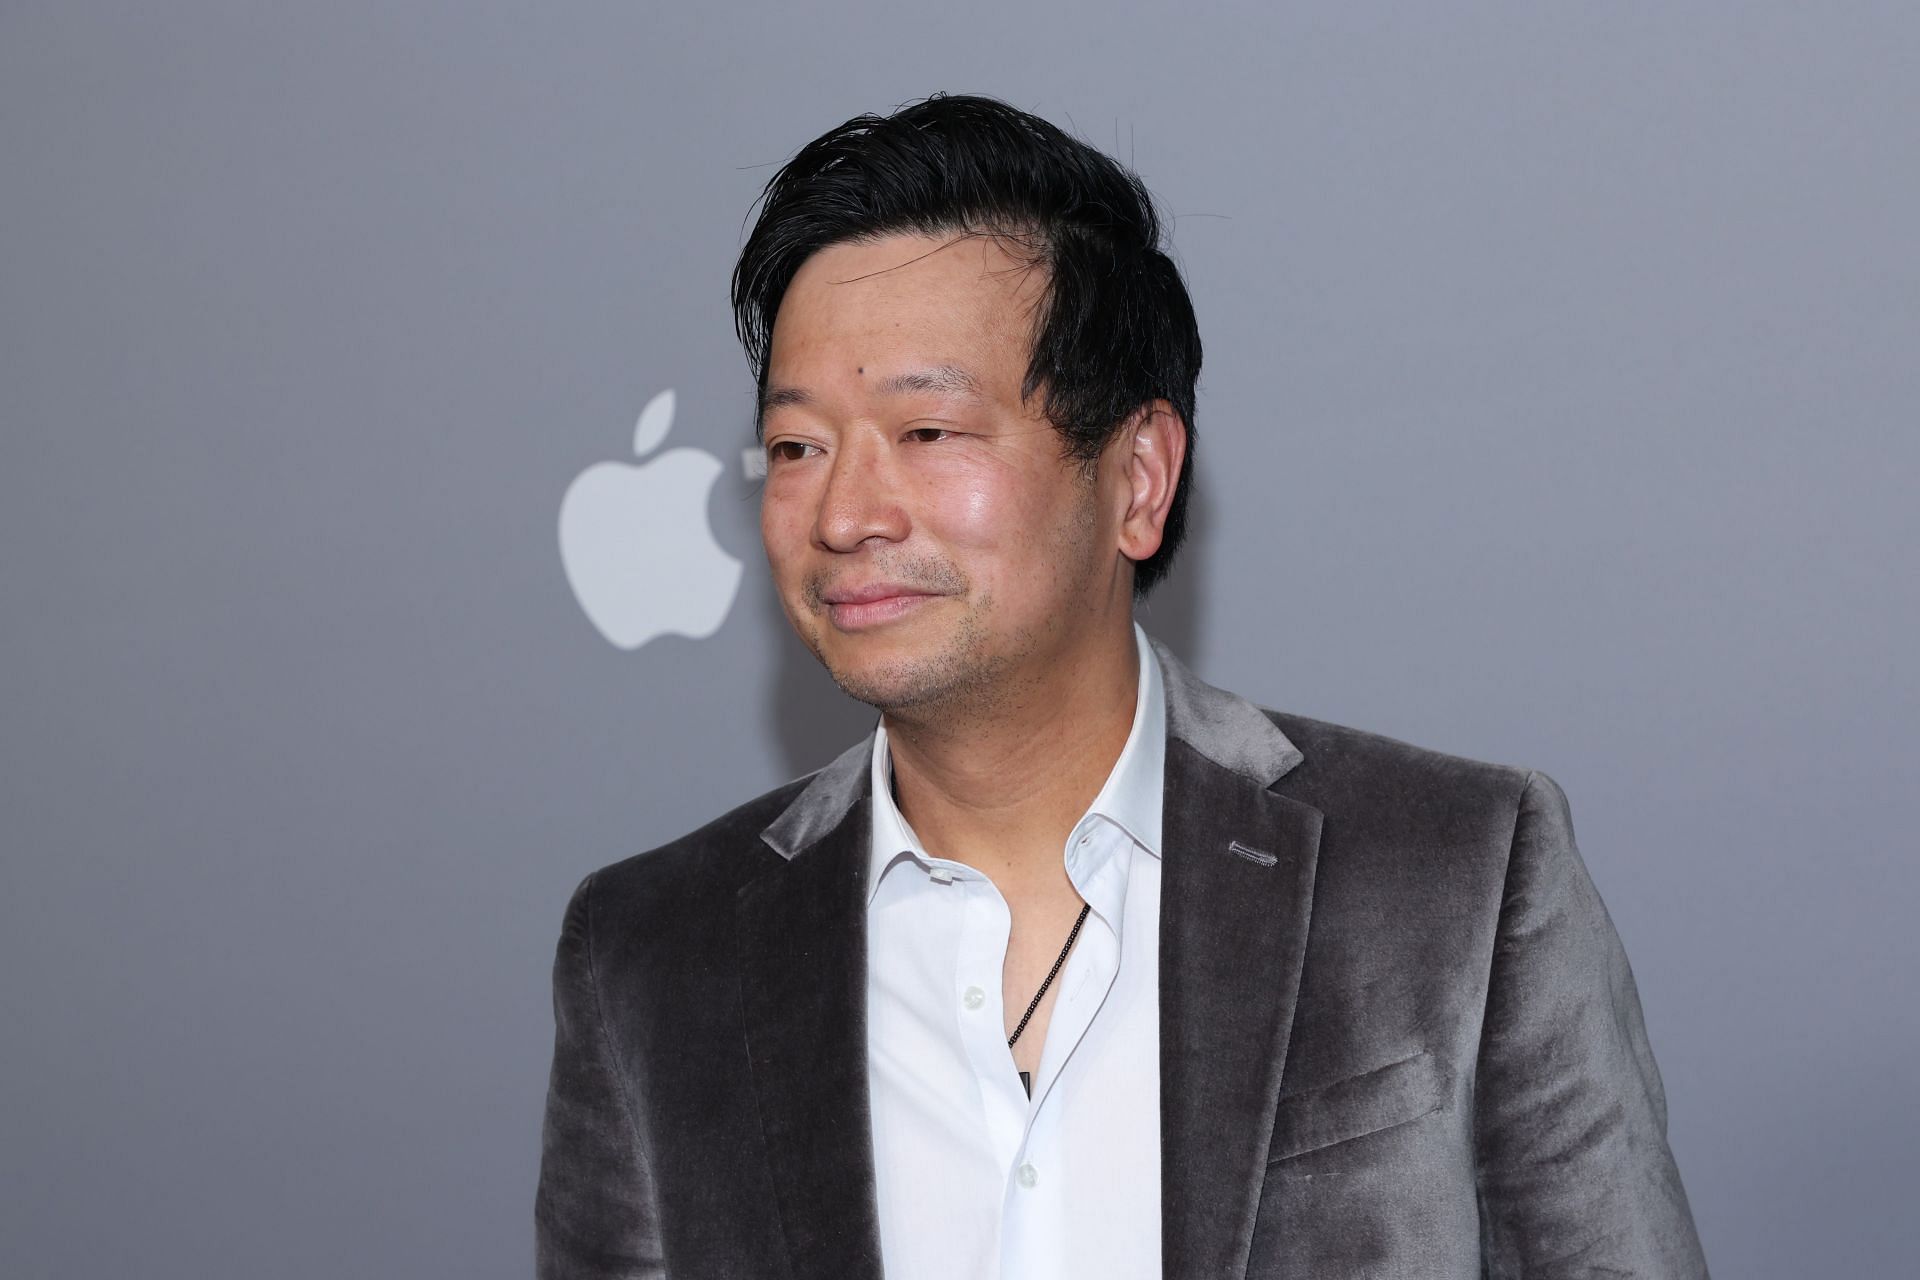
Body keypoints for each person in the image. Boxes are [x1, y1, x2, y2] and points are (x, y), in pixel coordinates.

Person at [535, 92, 1708, 1279]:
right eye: (798, 447)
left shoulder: (1457, 876)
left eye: (929, 431)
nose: (844, 514)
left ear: (1138, 477)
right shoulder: (650, 956)